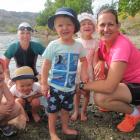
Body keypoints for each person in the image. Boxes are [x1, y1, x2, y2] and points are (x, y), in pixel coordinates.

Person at [79, 6, 140, 133]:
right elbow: (101, 55)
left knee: (100, 97)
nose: (106, 29)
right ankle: (115, 101)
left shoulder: (121, 46)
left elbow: (109, 87)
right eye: (102, 25)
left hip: (137, 84)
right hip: (127, 82)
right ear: (97, 27)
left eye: (110, 24)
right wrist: (101, 62)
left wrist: (81, 86)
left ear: (118, 26)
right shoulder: (103, 41)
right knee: (100, 71)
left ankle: (135, 113)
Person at [41, 7, 88, 140]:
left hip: (70, 87)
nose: (64, 28)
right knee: (52, 111)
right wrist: (44, 83)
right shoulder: (53, 45)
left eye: (68, 24)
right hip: (54, 87)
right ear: (55, 28)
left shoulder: (78, 45)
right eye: (60, 25)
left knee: (66, 110)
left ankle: (65, 128)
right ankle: (52, 132)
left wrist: (84, 73)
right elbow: (45, 65)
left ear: (74, 27)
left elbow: (84, 60)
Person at [71, 12, 98, 121]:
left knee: (86, 93)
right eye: (83, 24)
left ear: (94, 27)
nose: (87, 26)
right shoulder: (76, 42)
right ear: (79, 28)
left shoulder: (96, 43)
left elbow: (95, 61)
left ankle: (83, 112)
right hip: (77, 71)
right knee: (76, 92)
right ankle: (76, 110)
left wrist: (96, 75)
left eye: (89, 23)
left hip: (89, 71)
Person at [4, 22, 45, 86]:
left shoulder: (37, 46)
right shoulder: (13, 47)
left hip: (35, 77)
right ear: (18, 34)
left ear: (31, 35)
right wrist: (7, 79)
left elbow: (50, 59)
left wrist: (41, 75)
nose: (25, 36)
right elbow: (5, 66)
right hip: (18, 78)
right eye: (22, 33)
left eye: (28, 33)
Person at [0, 58, 21, 136]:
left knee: (16, 108)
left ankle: (3, 124)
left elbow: (10, 99)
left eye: (0, 73)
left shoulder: (3, 85)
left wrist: (7, 107)